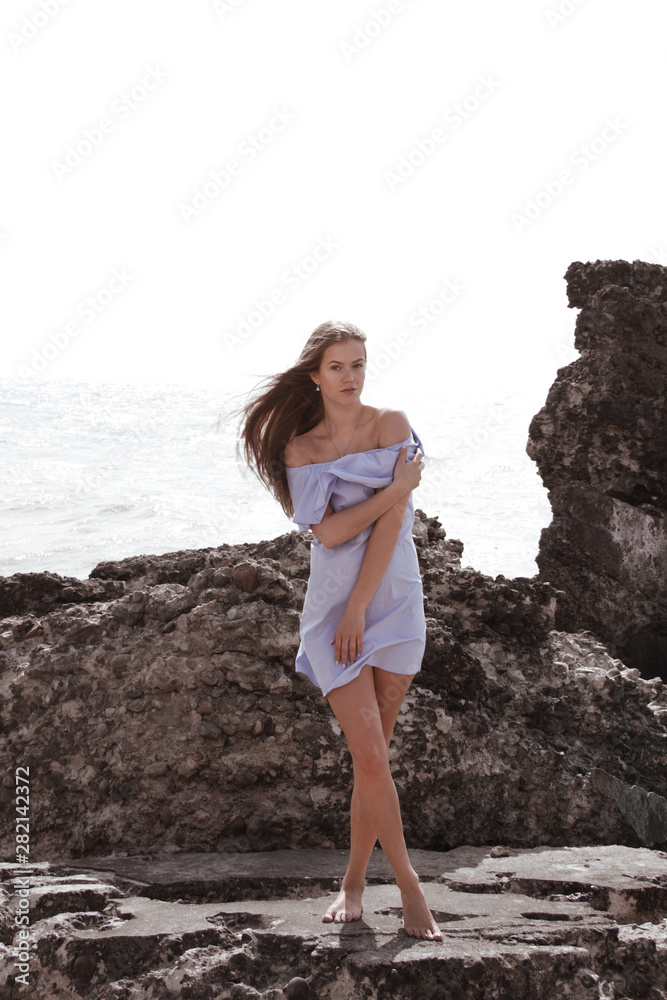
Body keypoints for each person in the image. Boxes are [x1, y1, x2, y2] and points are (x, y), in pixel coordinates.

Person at [238, 319, 442, 941]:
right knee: (371, 754)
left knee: (371, 762)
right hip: (333, 614)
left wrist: (366, 603)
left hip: (395, 602)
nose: (351, 377)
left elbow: (387, 527)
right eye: (337, 367)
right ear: (315, 376)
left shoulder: (391, 425)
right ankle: (409, 889)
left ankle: (353, 881)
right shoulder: (302, 450)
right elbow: (329, 533)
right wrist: (397, 487)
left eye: (358, 364)